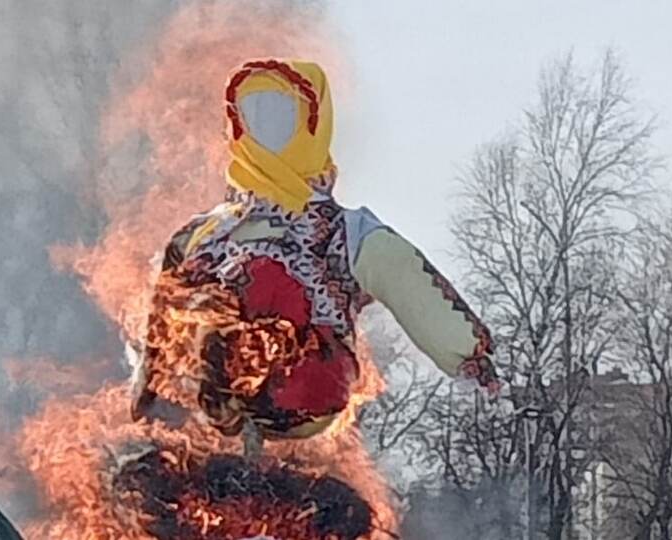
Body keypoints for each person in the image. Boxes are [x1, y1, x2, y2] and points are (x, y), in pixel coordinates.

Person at [130, 58, 499, 452]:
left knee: (267, 278)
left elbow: (405, 277)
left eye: (282, 116)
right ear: (237, 128)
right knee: (213, 295)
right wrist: (150, 387)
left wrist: (465, 354)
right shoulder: (204, 233)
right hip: (212, 396)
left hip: (307, 385)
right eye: (253, 116)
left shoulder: (349, 233)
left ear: (312, 125)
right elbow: (163, 316)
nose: (266, 130)